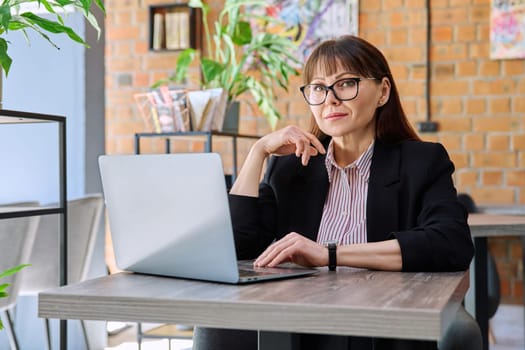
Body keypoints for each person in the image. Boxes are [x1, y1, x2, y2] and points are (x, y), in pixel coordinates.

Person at [192, 35, 476, 350]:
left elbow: (452, 243)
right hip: (300, 322)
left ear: (383, 91)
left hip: (380, 324)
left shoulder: (422, 162)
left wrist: (328, 254)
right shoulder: (292, 169)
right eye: (318, 88)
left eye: (345, 83)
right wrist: (258, 152)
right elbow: (236, 246)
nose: (330, 99)